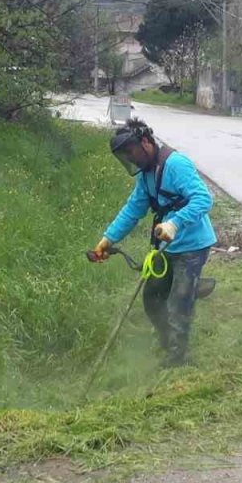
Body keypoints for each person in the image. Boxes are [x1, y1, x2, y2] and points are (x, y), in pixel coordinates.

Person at [92, 118, 217, 367]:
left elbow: (204, 199)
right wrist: (108, 239)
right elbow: (132, 210)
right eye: (126, 155)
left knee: (178, 302)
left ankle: (177, 357)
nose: (131, 158)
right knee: (152, 298)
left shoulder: (176, 164)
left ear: (146, 142)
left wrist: (174, 223)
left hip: (192, 246)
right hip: (166, 248)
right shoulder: (146, 176)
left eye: (132, 152)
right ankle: (167, 339)